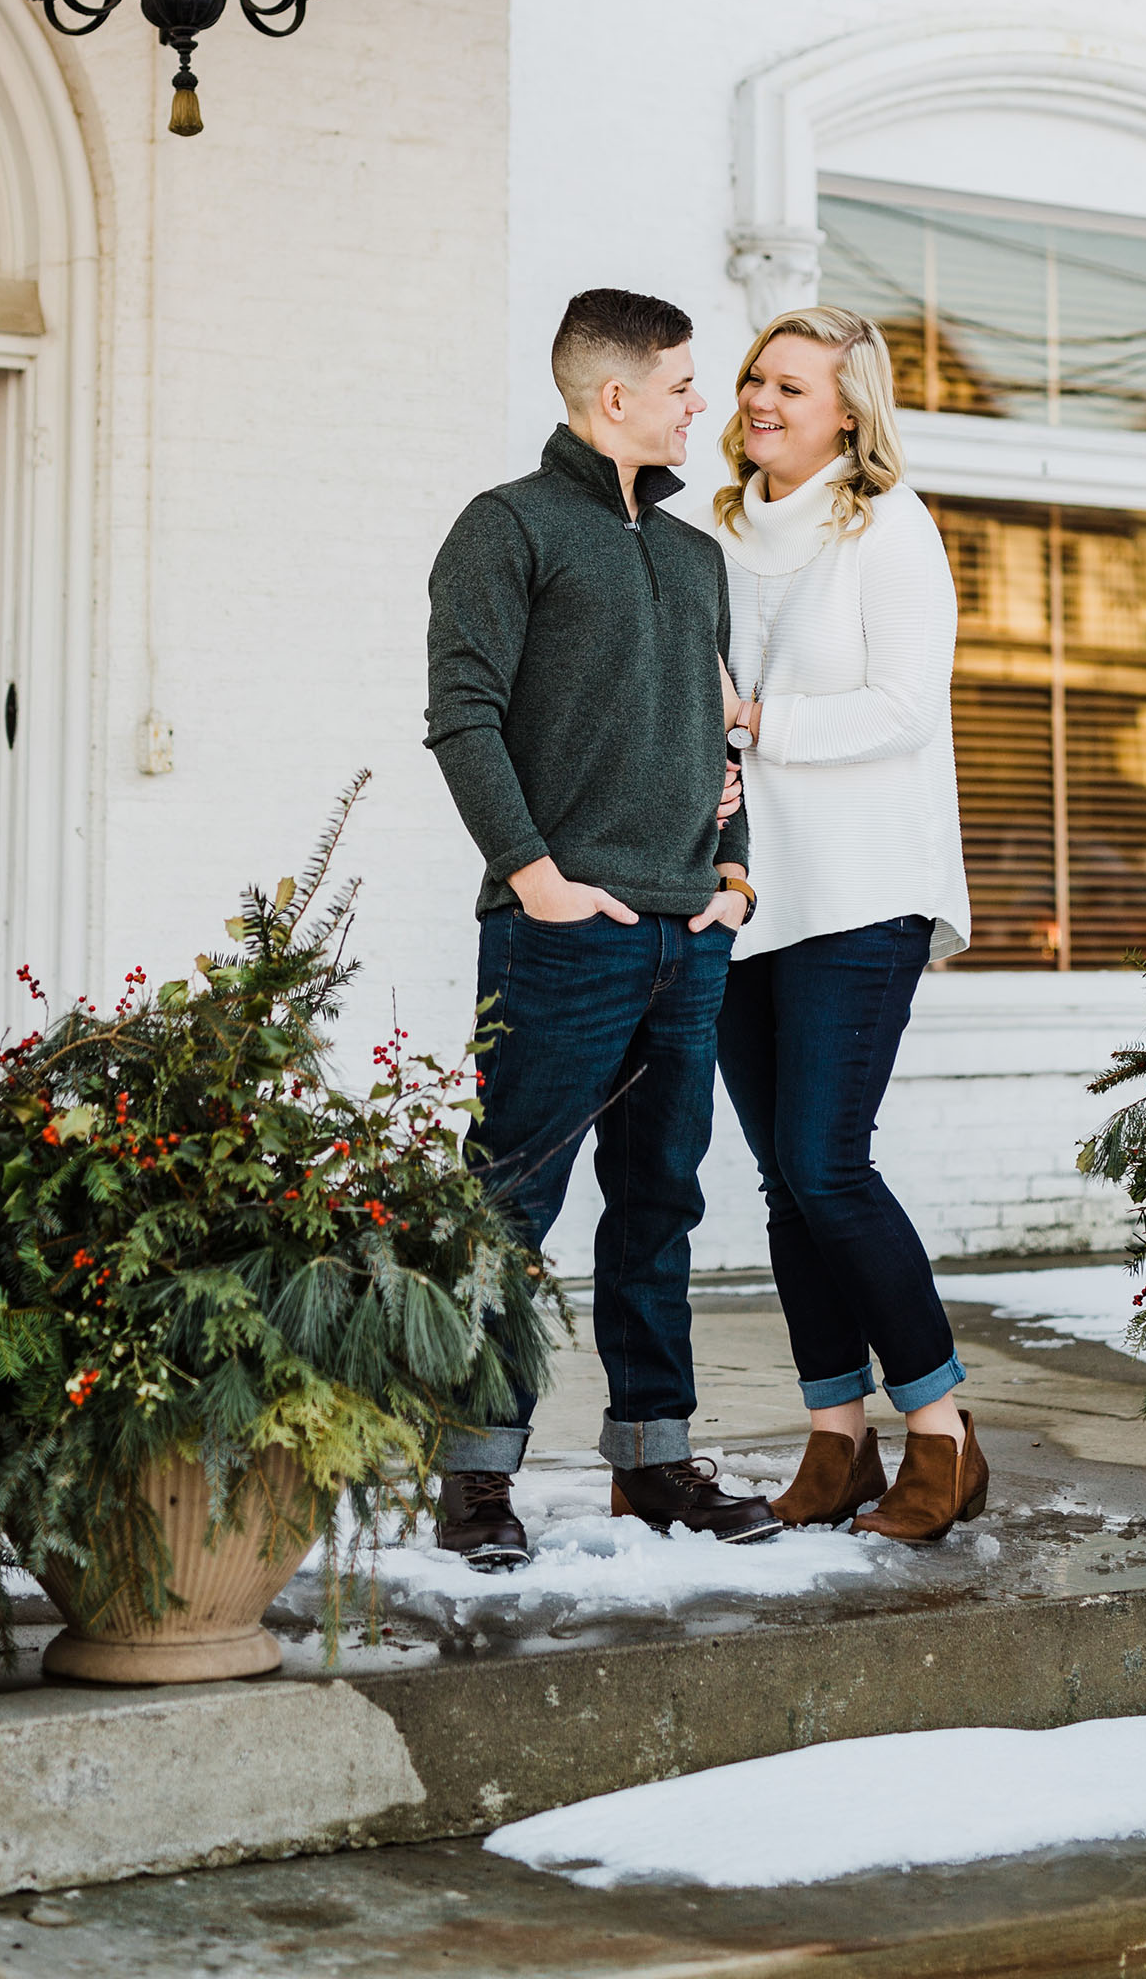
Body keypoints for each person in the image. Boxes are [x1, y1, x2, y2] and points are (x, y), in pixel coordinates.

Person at [423, 286, 778, 1568]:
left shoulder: (693, 558)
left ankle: (654, 1461)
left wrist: (729, 879)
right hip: (561, 935)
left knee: (658, 1206)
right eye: (687, 385)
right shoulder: (505, 529)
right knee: (510, 1207)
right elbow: (459, 714)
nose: (709, 405)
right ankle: (473, 1478)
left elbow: (720, 733)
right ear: (613, 396)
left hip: (687, 935)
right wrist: (533, 876)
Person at [688, 305, 985, 1543]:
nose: (760, 399)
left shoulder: (889, 530)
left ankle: (942, 1431)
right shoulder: (709, 533)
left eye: (790, 387)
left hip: (863, 891)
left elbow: (904, 709)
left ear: (848, 412)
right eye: (754, 378)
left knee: (826, 1163)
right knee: (782, 1185)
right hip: (746, 893)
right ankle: (834, 1441)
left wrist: (752, 725)